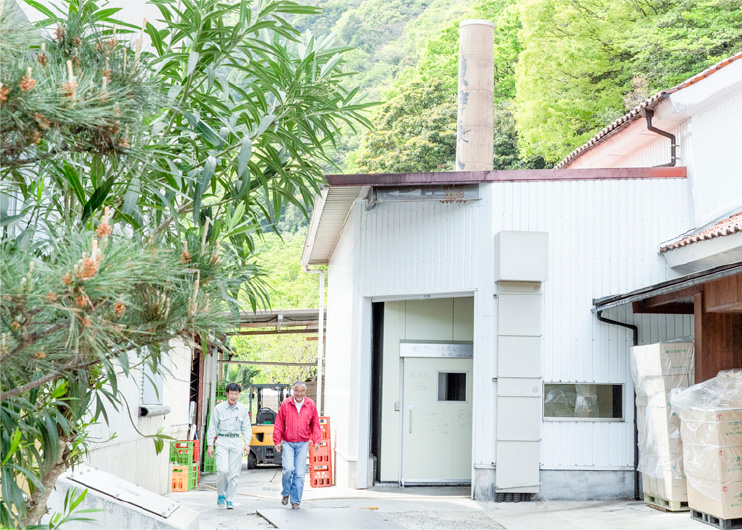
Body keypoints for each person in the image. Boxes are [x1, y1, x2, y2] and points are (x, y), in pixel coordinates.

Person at [273, 380, 321, 510]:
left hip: (303, 443)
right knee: (288, 469)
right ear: (293, 391)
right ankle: (286, 493)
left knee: (300, 473)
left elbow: (315, 424)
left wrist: (316, 440)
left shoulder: (310, 404)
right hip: (288, 442)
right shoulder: (286, 404)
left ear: (305, 391)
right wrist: (277, 441)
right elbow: (278, 424)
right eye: (297, 391)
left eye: (302, 391)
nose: (299, 393)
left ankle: (295, 500)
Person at [207, 382, 251, 510]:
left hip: (236, 441)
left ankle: (230, 499)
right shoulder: (219, 408)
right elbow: (212, 427)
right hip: (222, 440)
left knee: (234, 473)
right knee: (223, 470)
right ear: (227, 394)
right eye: (231, 394)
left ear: (238, 394)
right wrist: (210, 444)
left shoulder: (242, 409)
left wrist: (247, 444)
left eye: (236, 394)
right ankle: (221, 494)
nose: (233, 396)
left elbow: (246, 427)